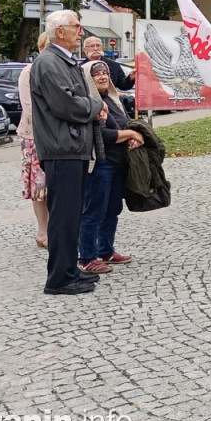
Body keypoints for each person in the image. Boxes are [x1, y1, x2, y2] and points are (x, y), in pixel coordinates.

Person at [29, 10, 106, 295]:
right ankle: (59, 278)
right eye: (76, 27)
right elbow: (66, 105)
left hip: (71, 146)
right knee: (63, 216)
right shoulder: (49, 62)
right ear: (59, 31)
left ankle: (69, 269)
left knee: (71, 214)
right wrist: (95, 106)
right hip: (62, 148)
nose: (81, 32)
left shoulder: (61, 60)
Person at [77, 60, 144, 274]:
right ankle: (86, 258)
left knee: (113, 210)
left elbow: (123, 125)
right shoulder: (90, 103)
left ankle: (105, 250)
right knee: (94, 211)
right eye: (97, 74)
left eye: (105, 73)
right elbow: (103, 135)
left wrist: (132, 136)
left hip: (118, 163)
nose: (103, 77)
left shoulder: (113, 99)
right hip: (100, 164)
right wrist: (131, 134)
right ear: (88, 79)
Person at [18, 32, 50, 249]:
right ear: (41, 47)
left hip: (57, 135)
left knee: (55, 186)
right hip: (35, 135)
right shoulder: (29, 71)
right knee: (39, 186)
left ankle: (56, 229)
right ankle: (43, 231)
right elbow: (29, 106)